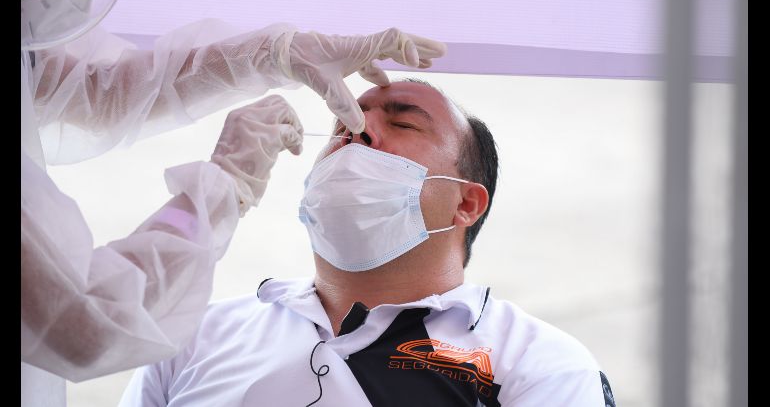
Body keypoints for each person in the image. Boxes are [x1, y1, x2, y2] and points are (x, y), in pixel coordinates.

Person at [20, 0, 446, 405]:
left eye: (406, 124)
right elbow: (86, 320)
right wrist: (223, 185)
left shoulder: (516, 357)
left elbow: (91, 89)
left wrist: (274, 55)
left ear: (468, 201)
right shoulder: (204, 344)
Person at [119, 79, 617, 407]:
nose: (359, 132)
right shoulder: (191, 336)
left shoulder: (537, 362)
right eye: (343, 123)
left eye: (402, 123)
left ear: (466, 204)